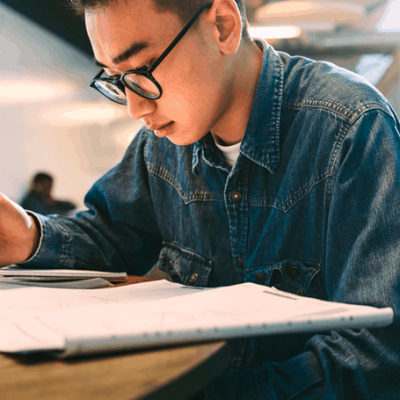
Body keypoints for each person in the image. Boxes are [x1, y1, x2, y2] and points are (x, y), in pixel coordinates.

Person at [0, 0, 399, 398]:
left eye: (142, 70)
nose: (136, 109)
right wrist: (29, 236)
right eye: (116, 80)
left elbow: (375, 358)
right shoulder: (161, 146)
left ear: (223, 26)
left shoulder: (351, 127)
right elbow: (112, 233)